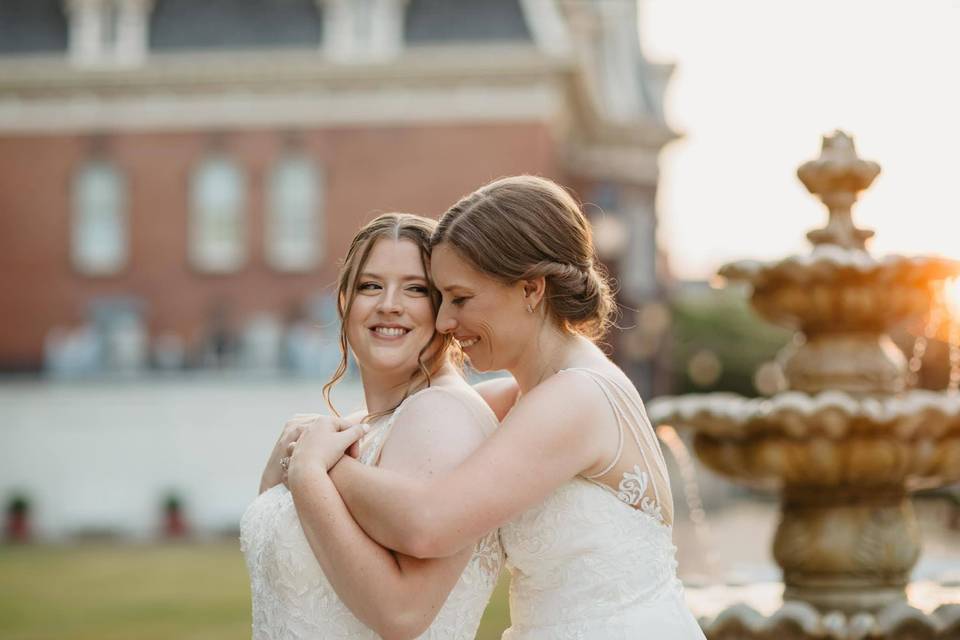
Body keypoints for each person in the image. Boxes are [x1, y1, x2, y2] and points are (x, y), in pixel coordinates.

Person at [293, 176, 707, 638]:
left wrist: (316, 469)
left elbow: (428, 526)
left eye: (461, 298)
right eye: (441, 298)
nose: (446, 322)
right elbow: (400, 419)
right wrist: (329, 434)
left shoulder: (576, 398)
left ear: (531, 291)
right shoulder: (527, 397)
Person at [240, 213, 504, 640]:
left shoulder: (440, 414)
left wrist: (307, 472)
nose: (389, 304)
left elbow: (401, 616)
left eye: (416, 289)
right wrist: (279, 476)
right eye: (371, 286)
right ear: (344, 302)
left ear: (445, 310)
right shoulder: (353, 430)